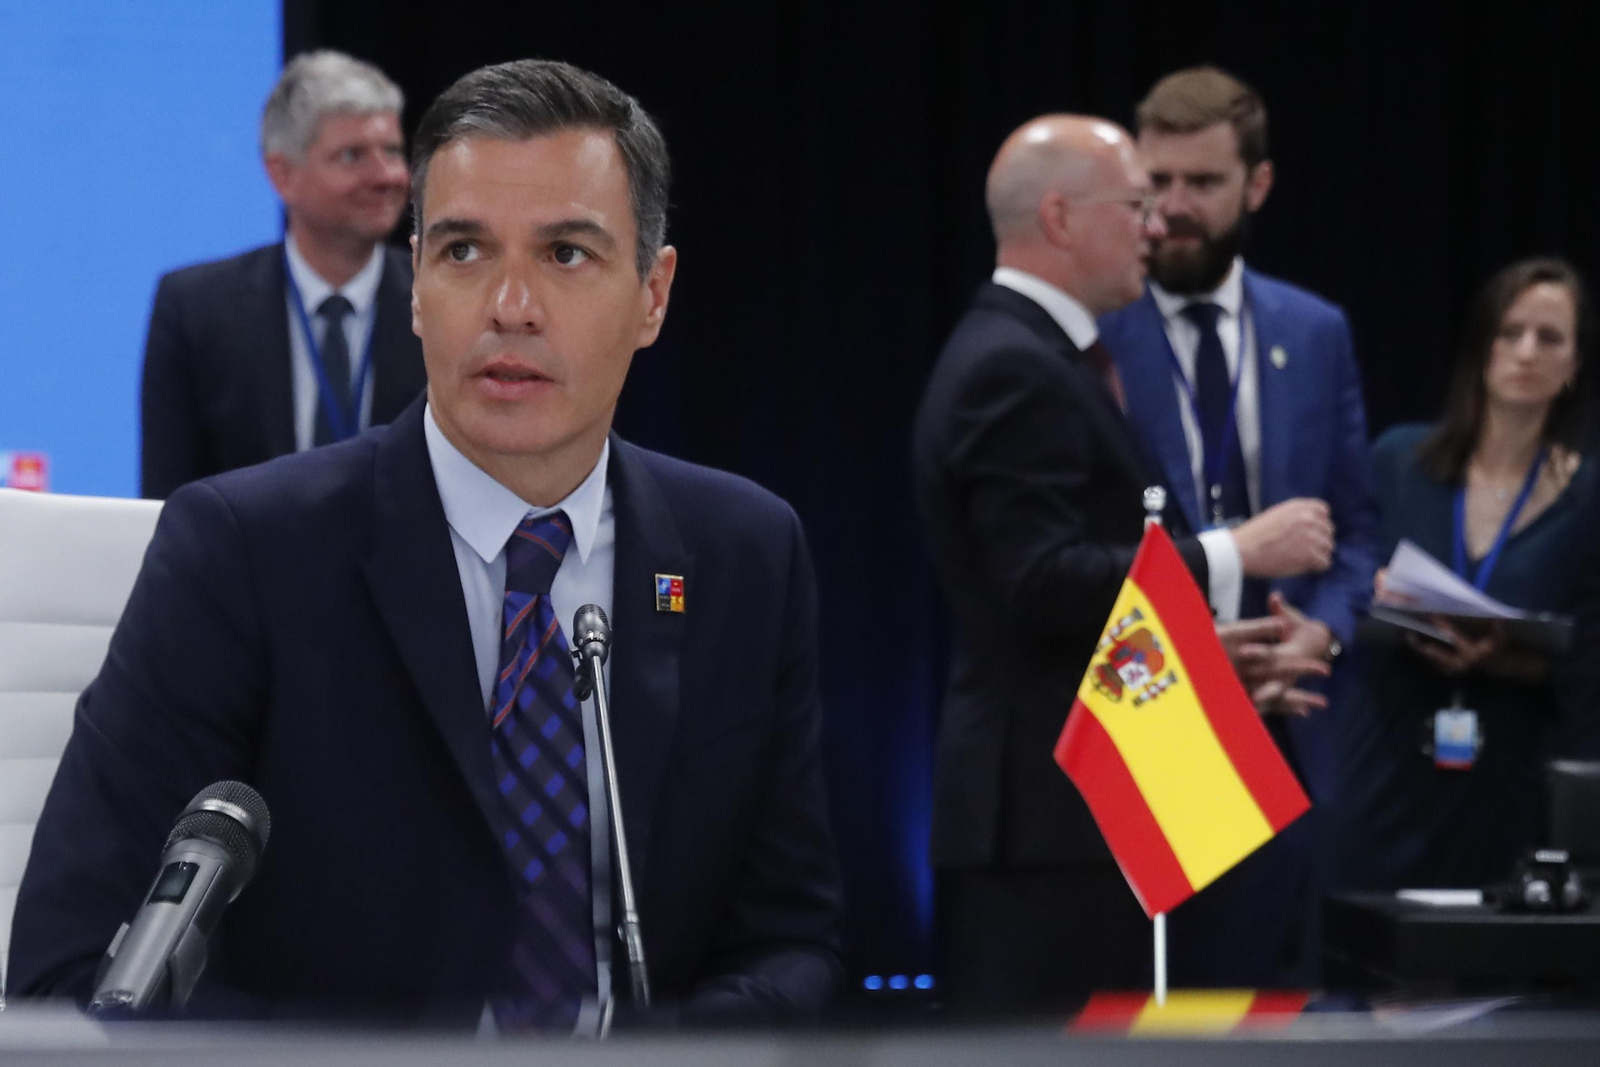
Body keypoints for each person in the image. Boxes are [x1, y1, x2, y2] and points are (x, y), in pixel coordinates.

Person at [11, 58, 842, 1030]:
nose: (510, 306)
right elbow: (74, 957)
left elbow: (792, 945)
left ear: (652, 294)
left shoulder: (744, 552)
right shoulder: (244, 550)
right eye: (463, 252)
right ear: (414, 287)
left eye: (566, 254)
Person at [912, 113, 1337, 1014]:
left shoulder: (1048, 356)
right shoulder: (1011, 365)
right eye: (1138, 204)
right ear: (1061, 218)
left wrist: (1203, 661)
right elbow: (1037, 584)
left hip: (1089, 812)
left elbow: (1069, 604)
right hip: (1048, 820)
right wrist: (1236, 549)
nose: (1157, 227)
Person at [1096, 66, 1379, 987]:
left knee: (1263, 999)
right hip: (1147, 725)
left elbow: (1355, 531)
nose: (1172, 209)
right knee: (1150, 1005)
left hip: (1282, 723)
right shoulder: (1095, 330)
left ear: (1256, 186)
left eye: (1202, 184)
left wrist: (1322, 632)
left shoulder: (1316, 328)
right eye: (1156, 184)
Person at [1335, 258, 1596, 894]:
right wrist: (1371, 596)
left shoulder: (1588, 495)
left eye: (1550, 338)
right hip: (1392, 749)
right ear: (1482, 346)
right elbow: (1348, 572)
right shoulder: (1398, 459)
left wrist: (1506, 659)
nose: (1526, 352)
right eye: (1509, 333)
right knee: (1369, 950)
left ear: (1575, 366)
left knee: (1489, 963)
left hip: (1509, 769)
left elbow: (1590, 645)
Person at [139, 50, 426, 500]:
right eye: (353, 156)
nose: (386, 175)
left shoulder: (441, 296)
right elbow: (167, 505)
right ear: (283, 174)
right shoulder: (196, 310)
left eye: (391, 151)